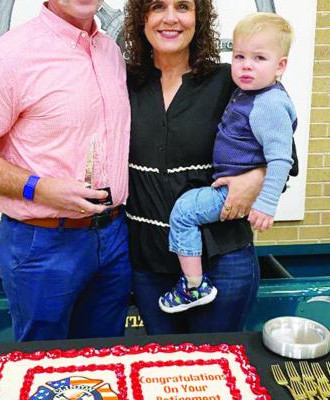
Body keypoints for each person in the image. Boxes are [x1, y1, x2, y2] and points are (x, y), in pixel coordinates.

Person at [0, 0, 131, 341]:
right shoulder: (9, 57)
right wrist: (38, 188)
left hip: (114, 235)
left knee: (104, 359)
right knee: (43, 371)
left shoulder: (110, 52)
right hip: (43, 243)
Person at [124, 0, 297, 334]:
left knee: (218, 372)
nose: (170, 18)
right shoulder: (125, 82)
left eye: (183, 6)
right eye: (158, 6)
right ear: (141, 17)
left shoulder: (231, 80)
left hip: (223, 261)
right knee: (162, 372)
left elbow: (284, 155)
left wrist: (256, 179)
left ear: (198, 17)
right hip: (148, 264)